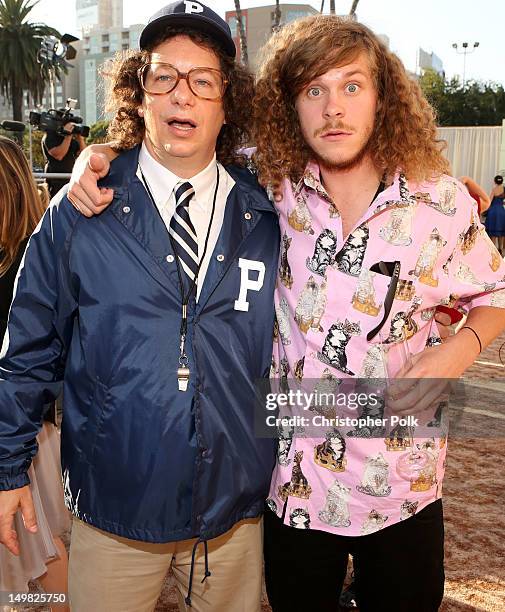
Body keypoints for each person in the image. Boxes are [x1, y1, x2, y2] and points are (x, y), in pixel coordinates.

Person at [66, 14, 505, 612]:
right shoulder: (268, 185)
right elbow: (175, 143)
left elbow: (495, 293)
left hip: (406, 485)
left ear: (383, 99)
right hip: (294, 486)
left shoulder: (441, 201)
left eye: (352, 86)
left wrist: (459, 350)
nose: (333, 109)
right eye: (313, 90)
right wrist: (98, 156)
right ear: (290, 105)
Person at [0, 4, 279, 612]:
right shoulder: (80, 211)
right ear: (139, 92)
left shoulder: (268, 215)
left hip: (234, 513)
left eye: (203, 79)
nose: (183, 94)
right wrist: (6, 467)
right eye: (164, 76)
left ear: (226, 100)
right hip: (116, 507)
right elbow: (26, 350)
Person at [0, 136, 70, 612]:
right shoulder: (27, 250)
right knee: (36, 550)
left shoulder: (26, 260)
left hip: (20, 426)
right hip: (32, 425)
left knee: (37, 552)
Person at [42, 121, 86, 198]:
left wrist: (80, 139)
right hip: (55, 180)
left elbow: (84, 155)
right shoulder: (50, 136)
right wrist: (68, 136)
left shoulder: (71, 140)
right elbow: (59, 155)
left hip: (70, 180)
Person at [485, 174, 505, 253]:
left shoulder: (494, 189)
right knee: (501, 232)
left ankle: (493, 250)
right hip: (501, 211)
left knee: (493, 232)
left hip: (493, 211)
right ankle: (501, 248)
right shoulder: (504, 189)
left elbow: (489, 200)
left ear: (495, 181)